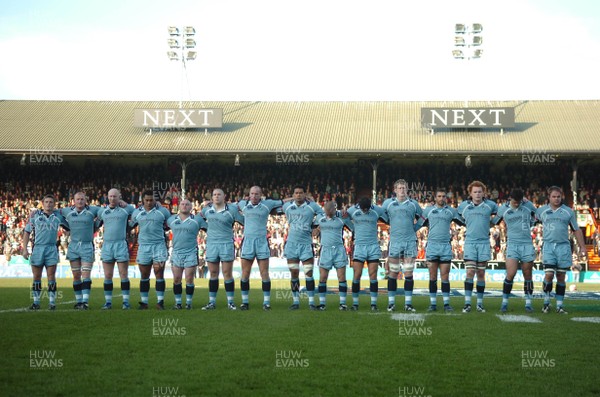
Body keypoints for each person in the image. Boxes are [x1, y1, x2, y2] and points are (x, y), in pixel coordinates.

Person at [536, 186, 587, 314]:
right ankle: (546, 303)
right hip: (548, 246)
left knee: (561, 276)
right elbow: (529, 218)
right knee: (548, 275)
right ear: (549, 197)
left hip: (563, 247)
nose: (556, 199)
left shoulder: (568, 212)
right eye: (554, 196)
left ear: (562, 196)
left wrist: (583, 247)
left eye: (558, 196)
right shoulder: (541, 211)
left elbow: (576, 230)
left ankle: (559, 305)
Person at [237, 186, 285, 310]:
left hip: (262, 242)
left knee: (264, 273)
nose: (254, 196)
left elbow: (284, 201)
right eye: (252, 193)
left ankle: (266, 303)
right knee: (245, 274)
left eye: (256, 194)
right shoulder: (243, 204)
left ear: (261, 195)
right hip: (248, 242)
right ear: (249, 195)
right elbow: (228, 205)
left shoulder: (267, 204)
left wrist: (298, 198)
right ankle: (245, 302)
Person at [382, 179, 423, 312]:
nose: (402, 190)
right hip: (395, 242)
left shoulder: (413, 204)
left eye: (404, 188)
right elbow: (383, 217)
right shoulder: (388, 204)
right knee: (393, 273)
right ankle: (391, 303)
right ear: (395, 190)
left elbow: (423, 218)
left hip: (410, 242)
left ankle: (408, 304)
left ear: (407, 190)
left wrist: (414, 228)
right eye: (399, 188)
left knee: (408, 273)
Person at [457, 181, 498, 313]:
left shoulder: (490, 205)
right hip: (470, 242)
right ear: (470, 193)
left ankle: (479, 304)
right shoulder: (464, 206)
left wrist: (490, 224)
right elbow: (458, 218)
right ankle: (467, 303)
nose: (477, 194)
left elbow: (500, 215)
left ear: (484, 192)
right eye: (475, 192)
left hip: (484, 243)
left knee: (481, 273)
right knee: (470, 272)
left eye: (480, 191)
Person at [493, 188, 537, 313]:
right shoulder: (503, 209)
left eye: (519, 201)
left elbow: (539, 215)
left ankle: (528, 303)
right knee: (510, 274)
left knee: (527, 275)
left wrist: (533, 222)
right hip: (512, 245)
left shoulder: (528, 205)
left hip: (527, 244)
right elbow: (494, 221)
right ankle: (504, 303)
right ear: (510, 198)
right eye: (515, 201)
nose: (517, 203)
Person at [200, 189, 244, 310]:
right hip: (212, 244)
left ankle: (230, 302)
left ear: (224, 196)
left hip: (226, 244)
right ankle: (211, 302)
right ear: (212, 197)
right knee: (213, 273)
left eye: (219, 194)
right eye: (214, 194)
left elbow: (244, 221)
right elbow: (199, 221)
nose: (216, 196)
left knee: (227, 273)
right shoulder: (206, 210)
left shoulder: (232, 210)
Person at [23, 195, 67, 310]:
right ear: (42, 203)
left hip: (52, 248)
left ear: (54, 204)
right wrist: (24, 249)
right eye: (46, 202)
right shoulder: (35, 216)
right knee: (36, 276)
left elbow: (69, 226)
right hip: (38, 248)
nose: (48, 204)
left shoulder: (58, 216)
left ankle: (52, 303)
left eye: (51, 202)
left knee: (51, 276)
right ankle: (36, 303)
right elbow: (27, 232)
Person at [283, 185, 324, 310]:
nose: (298, 195)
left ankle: (311, 302)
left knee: (309, 273)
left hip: (306, 244)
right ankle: (296, 302)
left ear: (304, 194)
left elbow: (323, 215)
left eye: (301, 193)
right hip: (291, 244)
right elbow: (279, 203)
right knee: (294, 273)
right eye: (296, 193)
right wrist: (290, 198)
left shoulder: (312, 207)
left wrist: (317, 228)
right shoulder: (287, 206)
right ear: (293, 194)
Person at [421, 189, 462, 312]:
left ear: (446, 198)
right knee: (432, 277)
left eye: (444, 196)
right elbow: (419, 224)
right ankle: (433, 304)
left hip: (445, 247)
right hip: (432, 246)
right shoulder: (428, 210)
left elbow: (464, 222)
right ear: (435, 197)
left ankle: (446, 304)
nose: (442, 198)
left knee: (445, 277)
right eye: (439, 196)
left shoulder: (451, 211)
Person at [130, 190, 172, 310]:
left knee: (159, 273)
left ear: (155, 200)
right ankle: (144, 302)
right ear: (143, 200)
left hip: (159, 246)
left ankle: (160, 302)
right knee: (144, 274)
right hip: (143, 246)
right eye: (147, 200)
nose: (149, 202)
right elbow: (130, 225)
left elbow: (169, 225)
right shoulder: (137, 212)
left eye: (151, 200)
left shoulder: (163, 211)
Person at [345, 196, 387, 311]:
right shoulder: (353, 210)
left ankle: (373, 304)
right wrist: (352, 228)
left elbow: (387, 217)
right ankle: (355, 304)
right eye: (363, 209)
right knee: (357, 275)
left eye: (366, 209)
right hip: (359, 246)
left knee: (373, 276)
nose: (365, 211)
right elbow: (344, 217)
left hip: (373, 246)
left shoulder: (376, 210)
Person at [60, 192, 100, 310]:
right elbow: (56, 213)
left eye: (82, 199)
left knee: (86, 274)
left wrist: (96, 226)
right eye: (78, 199)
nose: (80, 201)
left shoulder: (92, 210)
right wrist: (37, 212)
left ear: (86, 200)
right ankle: (78, 301)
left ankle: (85, 302)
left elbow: (104, 212)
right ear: (74, 200)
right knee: (76, 275)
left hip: (87, 246)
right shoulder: (67, 211)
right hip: (73, 246)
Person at [96, 188, 135, 309]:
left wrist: (126, 204)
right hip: (107, 245)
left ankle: (126, 302)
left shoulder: (126, 209)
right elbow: (96, 223)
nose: (112, 198)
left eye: (115, 196)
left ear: (119, 197)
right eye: (110, 196)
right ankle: (108, 302)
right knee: (108, 275)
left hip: (121, 244)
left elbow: (136, 211)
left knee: (123, 274)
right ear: (107, 197)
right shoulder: (102, 211)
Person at [313, 201, 354, 310]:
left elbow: (353, 227)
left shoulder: (342, 216)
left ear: (334, 209)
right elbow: (313, 232)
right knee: (322, 277)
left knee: (341, 277)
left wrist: (347, 211)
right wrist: (317, 230)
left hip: (339, 250)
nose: (328, 214)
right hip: (325, 250)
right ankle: (322, 304)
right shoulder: (320, 218)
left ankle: (343, 304)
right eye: (326, 212)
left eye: (329, 212)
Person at [167, 199, 207, 310]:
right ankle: (178, 303)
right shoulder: (171, 219)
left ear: (191, 207)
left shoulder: (197, 220)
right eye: (183, 204)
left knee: (189, 279)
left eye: (187, 204)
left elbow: (209, 228)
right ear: (179, 206)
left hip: (190, 252)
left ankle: (189, 303)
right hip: (176, 252)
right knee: (176, 279)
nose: (184, 206)